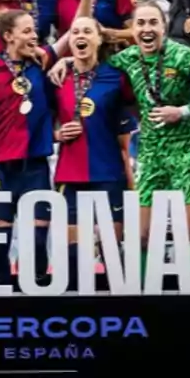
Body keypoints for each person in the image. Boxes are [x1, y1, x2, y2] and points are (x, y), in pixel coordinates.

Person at [53, 0, 190, 273]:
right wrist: (64, 60)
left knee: (189, 228)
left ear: (165, 26)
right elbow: (87, 57)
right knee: (142, 235)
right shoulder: (125, 60)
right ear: (133, 30)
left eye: (153, 23)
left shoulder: (187, 57)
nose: (147, 28)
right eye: (141, 23)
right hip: (150, 152)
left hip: (186, 150)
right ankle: (144, 295)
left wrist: (181, 112)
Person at [0, 10, 62, 284]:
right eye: (26, 31)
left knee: (36, 243)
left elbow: (76, 35)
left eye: (34, 31)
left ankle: (35, 303)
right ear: (8, 36)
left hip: (34, 166)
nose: (34, 36)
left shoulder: (42, 62)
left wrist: (68, 60)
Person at [51, 15, 134, 283]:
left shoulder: (117, 77)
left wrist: (130, 187)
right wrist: (57, 134)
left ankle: (121, 313)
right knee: (74, 257)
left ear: (99, 40)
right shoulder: (56, 77)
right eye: (75, 32)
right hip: (69, 175)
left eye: (87, 31)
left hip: (108, 175)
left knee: (113, 254)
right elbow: (40, 124)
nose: (80, 37)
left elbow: (125, 142)